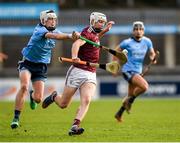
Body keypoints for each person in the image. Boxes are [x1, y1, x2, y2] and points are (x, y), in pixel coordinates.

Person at [42, 12, 114, 135]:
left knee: (86, 100)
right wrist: (74, 56)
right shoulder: (86, 33)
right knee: (64, 104)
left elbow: (95, 40)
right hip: (77, 71)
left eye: (103, 22)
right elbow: (77, 43)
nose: (102, 24)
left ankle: (75, 125)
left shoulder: (95, 34)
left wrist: (105, 30)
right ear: (92, 21)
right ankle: (54, 97)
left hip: (91, 72)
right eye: (99, 21)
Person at [10, 10, 79, 129]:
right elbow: (56, 36)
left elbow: (60, 34)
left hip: (41, 66)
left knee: (38, 99)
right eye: (50, 19)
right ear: (43, 21)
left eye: (54, 19)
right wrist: (69, 36)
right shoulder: (40, 30)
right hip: (27, 63)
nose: (53, 22)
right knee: (24, 86)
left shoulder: (55, 30)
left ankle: (32, 96)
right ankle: (16, 118)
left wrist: (75, 36)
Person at [114, 21, 157, 122]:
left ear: (143, 31)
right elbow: (115, 52)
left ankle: (119, 114)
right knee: (144, 87)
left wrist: (153, 58)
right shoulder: (127, 42)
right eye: (136, 29)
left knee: (130, 95)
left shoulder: (147, 41)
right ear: (133, 31)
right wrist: (115, 68)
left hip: (138, 72)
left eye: (141, 29)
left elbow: (152, 54)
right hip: (127, 71)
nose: (138, 31)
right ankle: (129, 100)